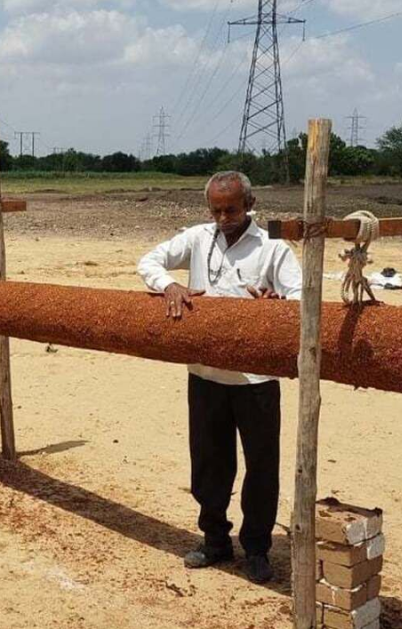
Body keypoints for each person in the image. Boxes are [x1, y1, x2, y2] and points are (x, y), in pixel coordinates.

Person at [136, 170, 303, 583]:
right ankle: (214, 541)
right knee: (209, 463)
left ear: (249, 204)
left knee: (261, 468)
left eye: (231, 208)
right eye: (216, 210)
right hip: (205, 373)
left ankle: (258, 550)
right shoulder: (197, 238)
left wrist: (277, 304)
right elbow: (148, 261)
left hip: (256, 380)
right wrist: (169, 286)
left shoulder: (273, 249)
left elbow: (301, 297)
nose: (223, 217)